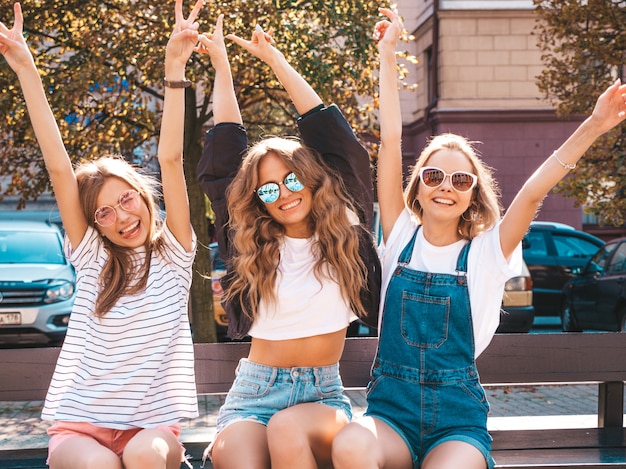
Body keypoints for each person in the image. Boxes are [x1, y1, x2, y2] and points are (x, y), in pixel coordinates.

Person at [331, 8, 626, 469]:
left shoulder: (487, 252)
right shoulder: (399, 234)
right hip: (391, 413)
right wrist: (388, 54)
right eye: (434, 175)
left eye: (460, 180)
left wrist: (593, 125)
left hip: (457, 422)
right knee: (349, 445)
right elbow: (390, 140)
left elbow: (532, 193)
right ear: (418, 187)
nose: (446, 185)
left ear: (472, 194)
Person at [0, 1, 203, 467]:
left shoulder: (175, 252)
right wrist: (27, 68)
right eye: (104, 213)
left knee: (143, 458)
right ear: (93, 225)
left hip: (151, 426)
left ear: (143, 194)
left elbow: (170, 158)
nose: (121, 217)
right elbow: (57, 164)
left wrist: (175, 67)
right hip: (81, 422)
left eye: (126, 199)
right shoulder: (93, 258)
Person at [195, 17, 381, 469]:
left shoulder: (346, 230)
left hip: (322, 393)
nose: (284, 193)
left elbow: (335, 139)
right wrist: (221, 65)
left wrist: (274, 58)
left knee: (287, 429)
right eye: (269, 189)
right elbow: (223, 161)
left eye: (291, 178)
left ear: (313, 179)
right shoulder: (249, 241)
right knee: (237, 456)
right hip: (253, 392)